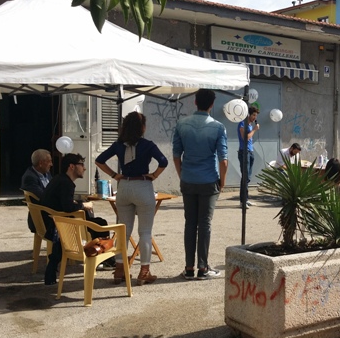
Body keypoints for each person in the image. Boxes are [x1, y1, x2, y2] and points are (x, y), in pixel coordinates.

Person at [96, 112, 168, 286]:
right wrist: (154, 175)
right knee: (145, 232)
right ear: (142, 127)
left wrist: (115, 175)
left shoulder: (119, 145)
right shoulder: (148, 145)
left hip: (124, 186)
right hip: (142, 185)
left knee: (123, 231)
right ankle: (144, 271)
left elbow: (99, 160)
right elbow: (163, 161)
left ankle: (119, 269)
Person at [172, 89, 226, 280]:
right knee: (205, 224)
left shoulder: (181, 124)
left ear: (195, 102)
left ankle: (189, 268)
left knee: (190, 223)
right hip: (209, 180)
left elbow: (176, 155)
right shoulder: (218, 127)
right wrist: (222, 182)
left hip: (188, 179)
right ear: (212, 104)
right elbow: (223, 160)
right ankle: (203, 268)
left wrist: (182, 175)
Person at [40, 153, 108, 285]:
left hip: (52, 221)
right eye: (81, 165)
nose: (84, 168)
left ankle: (53, 269)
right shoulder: (66, 183)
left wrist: (78, 204)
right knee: (100, 224)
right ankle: (102, 259)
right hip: (58, 225)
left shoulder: (59, 179)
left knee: (93, 219)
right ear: (72, 166)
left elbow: (63, 202)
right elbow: (68, 207)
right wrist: (84, 205)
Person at [21, 149, 53, 232]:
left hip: (50, 213)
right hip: (42, 218)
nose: (51, 164)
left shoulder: (46, 173)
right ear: (41, 163)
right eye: (49, 161)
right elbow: (43, 197)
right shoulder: (30, 177)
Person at [237, 105, 259, 207]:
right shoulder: (243, 123)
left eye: (256, 115)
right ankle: (242, 201)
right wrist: (254, 130)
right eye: (253, 115)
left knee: (248, 177)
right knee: (245, 176)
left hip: (250, 152)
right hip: (244, 152)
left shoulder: (249, 125)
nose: (255, 117)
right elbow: (245, 138)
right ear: (249, 114)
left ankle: (245, 198)